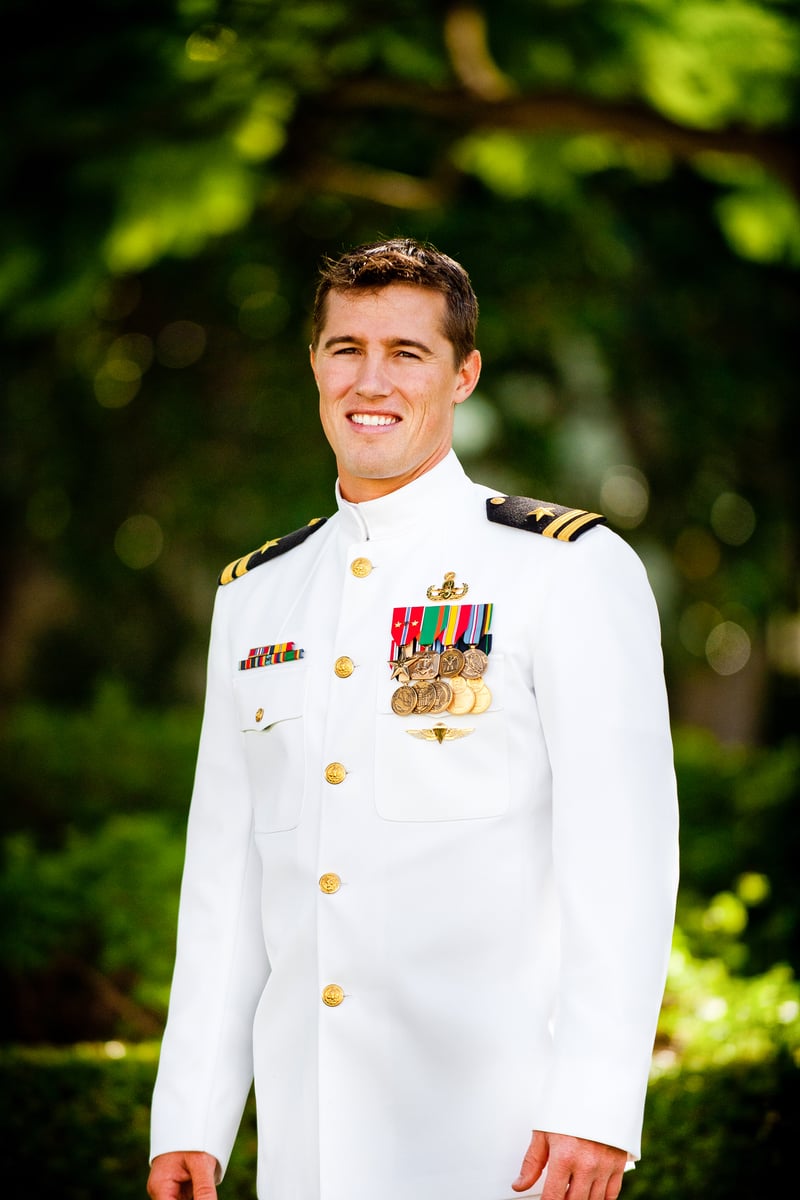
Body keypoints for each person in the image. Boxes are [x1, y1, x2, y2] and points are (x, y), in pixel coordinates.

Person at [148, 237, 679, 1200]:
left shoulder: (564, 568)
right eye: (346, 349)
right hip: (310, 1144)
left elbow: (623, 856)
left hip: (503, 1138)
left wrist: (596, 1103)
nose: (371, 381)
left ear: (463, 374)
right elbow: (224, 882)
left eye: (407, 352)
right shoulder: (257, 597)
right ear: (315, 365)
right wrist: (190, 1118)